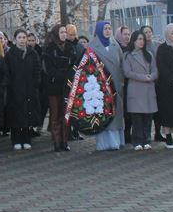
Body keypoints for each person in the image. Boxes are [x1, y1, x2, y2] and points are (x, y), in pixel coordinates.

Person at [89, 21, 126, 151]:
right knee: (104, 114)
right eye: (105, 29)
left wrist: (121, 81)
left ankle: (116, 141)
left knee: (116, 115)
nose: (107, 31)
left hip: (116, 85)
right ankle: (104, 143)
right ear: (99, 30)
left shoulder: (115, 45)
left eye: (109, 28)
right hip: (100, 86)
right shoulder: (92, 46)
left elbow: (122, 64)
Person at [42, 24, 78, 152]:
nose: (63, 34)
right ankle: (57, 142)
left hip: (67, 86)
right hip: (54, 86)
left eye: (65, 32)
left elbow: (74, 66)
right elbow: (48, 69)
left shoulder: (71, 48)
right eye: (61, 32)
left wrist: (68, 76)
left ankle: (65, 141)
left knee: (65, 114)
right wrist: (61, 75)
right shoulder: (49, 49)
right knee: (55, 114)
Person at [5, 29, 41, 150]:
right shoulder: (10, 54)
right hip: (15, 89)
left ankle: (26, 139)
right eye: (19, 37)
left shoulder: (32, 53)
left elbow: (37, 69)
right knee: (16, 114)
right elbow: (7, 71)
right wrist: (9, 85)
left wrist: (35, 83)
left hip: (29, 89)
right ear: (15, 39)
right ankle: (16, 139)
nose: (22, 40)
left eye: (24, 37)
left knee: (27, 114)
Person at [122, 31, 158, 150]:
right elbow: (127, 72)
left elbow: (155, 70)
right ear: (134, 41)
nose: (141, 41)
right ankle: (137, 140)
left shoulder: (149, 55)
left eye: (142, 39)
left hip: (148, 89)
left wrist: (151, 77)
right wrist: (143, 77)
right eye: (139, 39)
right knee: (137, 117)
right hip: (136, 88)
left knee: (148, 117)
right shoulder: (128, 55)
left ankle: (146, 139)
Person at [140, 24, 165, 142]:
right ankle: (146, 133)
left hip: (158, 81)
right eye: (145, 32)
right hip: (146, 81)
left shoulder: (158, 46)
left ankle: (158, 132)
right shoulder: (140, 47)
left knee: (159, 109)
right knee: (147, 109)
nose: (148, 34)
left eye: (150, 31)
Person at [65, 24, 85, 142]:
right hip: (68, 80)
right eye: (70, 34)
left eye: (73, 34)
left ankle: (76, 130)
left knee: (77, 107)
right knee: (68, 107)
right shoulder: (64, 46)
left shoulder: (80, 47)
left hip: (78, 80)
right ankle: (68, 132)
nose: (72, 37)